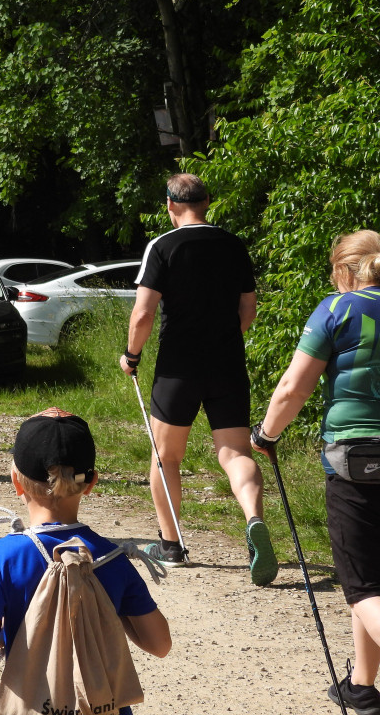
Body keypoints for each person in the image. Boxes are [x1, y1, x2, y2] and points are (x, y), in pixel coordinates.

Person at [119, 172, 278, 586]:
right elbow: (248, 309)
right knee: (235, 453)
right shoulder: (233, 245)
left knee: (166, 455)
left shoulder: (163, 246)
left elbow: (143, 313)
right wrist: (225, 341)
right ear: (208, 202)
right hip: (227, 363)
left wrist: (131, 355)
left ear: (170, 205)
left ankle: (171, 546)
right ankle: (254, 519)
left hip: (178, 367)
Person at [0, 407, 171, 715]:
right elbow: (159, 644)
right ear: (91, 483)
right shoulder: (112, 558)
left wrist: (11, 633)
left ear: (16, 481)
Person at [251, 229, 380, 715]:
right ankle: (362, 686)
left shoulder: (337, 309)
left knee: (363, 586)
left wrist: (266, 433)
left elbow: (292, 389)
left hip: (358, 461)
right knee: (370, 578)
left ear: (344, 271)